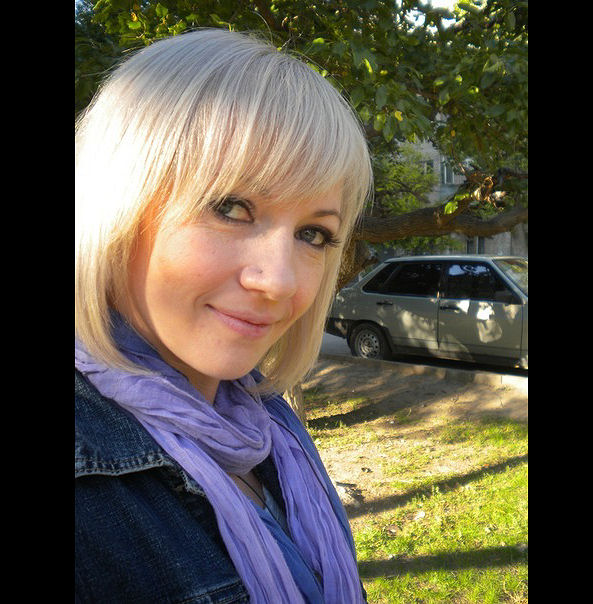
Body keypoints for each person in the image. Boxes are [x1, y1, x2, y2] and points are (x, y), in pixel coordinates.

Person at [75, 28, 372, 603]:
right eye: (232, 208)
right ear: (118, 205)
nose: (279, 281)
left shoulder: (267, 425)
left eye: (313, 234)